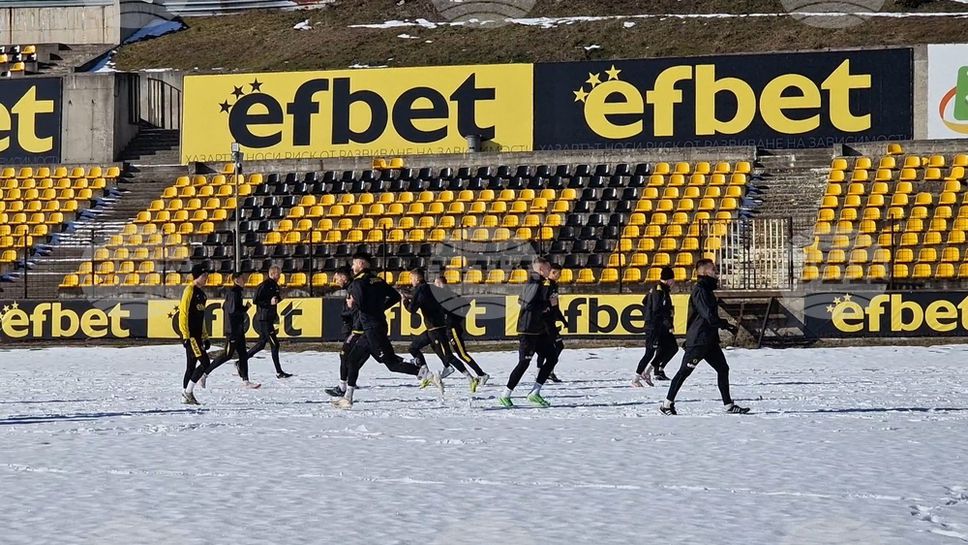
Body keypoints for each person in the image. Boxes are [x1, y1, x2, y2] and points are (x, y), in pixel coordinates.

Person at [332, 252, 440, 409]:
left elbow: (360, 305)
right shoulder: (377, 279)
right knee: (352, 360)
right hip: (376, 325)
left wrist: (352, 305)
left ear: (361, 265)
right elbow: (395, 297)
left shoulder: (357, 283)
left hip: (372, 329)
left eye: (354, 263)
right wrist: (378, 308)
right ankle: (347, 398)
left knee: (391, 364)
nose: (353, 267)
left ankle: (428, 375)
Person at [660, 259, 749, 416]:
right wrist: (724, 324)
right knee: (684, 372)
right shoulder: (700, 290)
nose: (716, 272)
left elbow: (710, 316)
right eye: (713, 269)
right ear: (705, 272)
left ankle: (728, 405)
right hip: (699, 341)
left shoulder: (707, 289)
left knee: (723, 369)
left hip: (709, 340)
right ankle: (667, 404)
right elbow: (708, 315)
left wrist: (724, 325)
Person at [404, 268, 480, 392]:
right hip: (432, 329)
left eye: (412, 278)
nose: (411, 281)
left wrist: (405, 301)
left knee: (449, 356)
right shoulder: (430, 288)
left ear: (417, 279)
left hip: (436, 329)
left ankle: (471, 378)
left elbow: (412, 310)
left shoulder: (420, 289)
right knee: (413, 347)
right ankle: (426, 375)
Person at [498, 257, 559, 408]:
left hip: (537, 329)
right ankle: (505, 395)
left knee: (552, 356)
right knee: (524, 363)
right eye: (547, 267)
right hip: (528, 330)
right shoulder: (534, 282)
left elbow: (524, 301)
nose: (550, 269)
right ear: (541, 269)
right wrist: (547, 304)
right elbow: (526, 304)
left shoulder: (540, 283)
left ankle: (535, 392)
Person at [203, 272, 261, 390]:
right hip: (233, 331)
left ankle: (246, 381)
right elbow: (232, 311)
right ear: (236, 280)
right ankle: (204, 374)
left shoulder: (236, 292)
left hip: (238, 330)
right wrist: (245, 309)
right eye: (242, 279)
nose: (244, 280)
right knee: (227, 355)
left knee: (243, 355)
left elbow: (226, 307)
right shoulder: (234, 293)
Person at [433, 276, 489, 387]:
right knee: (453, 353)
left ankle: (481, 374)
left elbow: (466, 305)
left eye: (436, 284)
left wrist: (456, 318)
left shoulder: (447, 294)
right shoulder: (445, 294)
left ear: (440, 283)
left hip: (453, 328)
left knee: (462, 354)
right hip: (448, 328)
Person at [633, 266, 678, 387]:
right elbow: (658, 309)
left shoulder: (659, 289)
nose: (674, 282)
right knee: (650, 352)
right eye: (673, 280)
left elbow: (644, 301)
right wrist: (668, 322)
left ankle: (647, 372)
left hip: (660, 326)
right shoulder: (659, 291)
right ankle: (636, 378)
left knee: (672, 347)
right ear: (669, 280)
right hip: (654, 326)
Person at [246, 265, 293, 379]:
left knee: (261, 344)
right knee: (275, 344)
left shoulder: (275, 285)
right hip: (264, 318)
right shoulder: (264, 285)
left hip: (269, 318)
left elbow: (275, 300)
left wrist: (281, 298)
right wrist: (269, 302)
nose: (280, 276)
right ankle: (279, 372)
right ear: (272, 274)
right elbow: (256, 300)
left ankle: (241, 361)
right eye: (278, 274)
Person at [180, 262, 212, 405]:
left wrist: (205, 336)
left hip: (198, 335)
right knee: (205, 362)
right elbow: (183, 313)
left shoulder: (202, 294)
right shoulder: (190, 290)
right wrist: (185, 335)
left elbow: (201, 317)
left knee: (191, 366)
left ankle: (185, 396)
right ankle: (187, 392)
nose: (206, 278)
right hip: (191, 336)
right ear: (197, 276)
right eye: (204, 276)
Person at [326, 266, 357, 398]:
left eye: (337, 278)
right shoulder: (350, 288)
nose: (336, 281)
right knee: (347, 357)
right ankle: (345, 385)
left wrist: (348, 311)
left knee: (345, 355)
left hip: (358, 329)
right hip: (352, 328)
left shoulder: (354, 288)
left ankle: (419, 369)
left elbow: (356, 309)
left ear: (344, 277)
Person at [535, 262, 566, 383]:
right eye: (558, 273)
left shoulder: (554, 285)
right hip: (544, 322)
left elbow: (555, 305)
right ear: (552, 272)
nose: (560, 275)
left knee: (554, 347)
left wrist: (563, 319)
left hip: (550, 322)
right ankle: (544, 372)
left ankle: (547, 371)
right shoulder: (546, 285)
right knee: (552, 347)